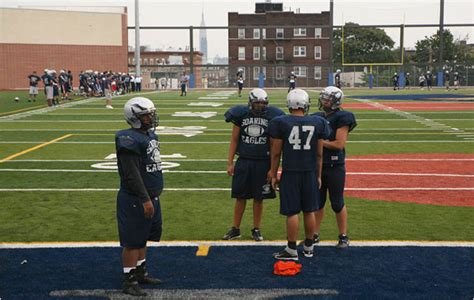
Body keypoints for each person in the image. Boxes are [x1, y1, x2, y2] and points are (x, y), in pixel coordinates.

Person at [268, 89, 329, 260]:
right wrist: (318, 175)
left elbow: (275, 153)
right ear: (306, 104)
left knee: (292, 211)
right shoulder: (317, 122)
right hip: (309, 171)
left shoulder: (281, 122)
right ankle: (309, 247)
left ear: (289, 104)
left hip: (290, 172)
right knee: (309, 210)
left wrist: (273, 173)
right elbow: (319, 154)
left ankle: (292, 249)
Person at [116, 97, 163, 296]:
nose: (150, 117)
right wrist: (144, 199)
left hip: (150, 196)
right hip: (136, 199)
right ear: (134, 117)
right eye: (145, 115)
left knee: (143, 238)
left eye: (151, 113)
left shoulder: (149, 135)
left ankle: (141, 272)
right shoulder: (129, 139)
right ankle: (129, 279)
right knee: (133, 240)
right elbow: (131, 174)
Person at [223, 88, 285, 241]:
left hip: (263, 162)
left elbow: (273, 146)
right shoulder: (241, 114)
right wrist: (230, 162)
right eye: (257, 103)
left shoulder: (273, 116)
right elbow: (234, 140)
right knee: (240, 197)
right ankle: (235, 228)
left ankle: (256, 228)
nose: (260, 106)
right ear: (250, 102)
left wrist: (272, 169)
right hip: (244, 160)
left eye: (263, 103)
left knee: (259, 198)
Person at [310, 86, 357, 249]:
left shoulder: (343, 117)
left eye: (327, 99)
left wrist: (319, 142)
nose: (324, 101)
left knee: (337, 202)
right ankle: (314, 235)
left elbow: (338, 144)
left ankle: (343, 235)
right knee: (318, 202)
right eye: (323, 98)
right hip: (318, 166)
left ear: (336, 101)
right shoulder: (317, 116)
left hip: (335, 165)